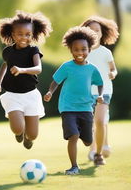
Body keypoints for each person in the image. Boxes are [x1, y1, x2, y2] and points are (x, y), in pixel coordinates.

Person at [44, 26, 104, 175]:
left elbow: (100, 83)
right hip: (68, 107)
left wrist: (100, 95)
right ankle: (74, 166)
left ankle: (88, 131)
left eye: (83, 49)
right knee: (73, 136)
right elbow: (55, 81)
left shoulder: (92, 69)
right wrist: (50, 92)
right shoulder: (67, 66)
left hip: (86, 108)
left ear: (89, 49)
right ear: (71, 50)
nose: (80, 53)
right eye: (76, 49)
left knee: (88, 141)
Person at [0, 10, 52, 149]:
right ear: (13, 34)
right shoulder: (7, 51)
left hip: (30, 95)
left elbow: (38, 68)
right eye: (20, 34)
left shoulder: (33, 50)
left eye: (28, 34)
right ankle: (20, 133)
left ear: (32, 34)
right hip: (12, 95)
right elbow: (5, 65)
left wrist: (22, 70)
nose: (24, 37)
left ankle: (27, 136)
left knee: (33, 135)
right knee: (17, 129)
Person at [80, 16, 119, 165]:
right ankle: (94, 148)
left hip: (104, 91)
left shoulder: (105, 52)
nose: (94, 32)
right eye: (91, 30)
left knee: (100, 120)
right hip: (86, 92)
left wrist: (112, 74)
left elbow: (113, 69)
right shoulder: (82, 51)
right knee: (91, 123)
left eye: (97, 30)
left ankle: (98, 153)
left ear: (102, 33)